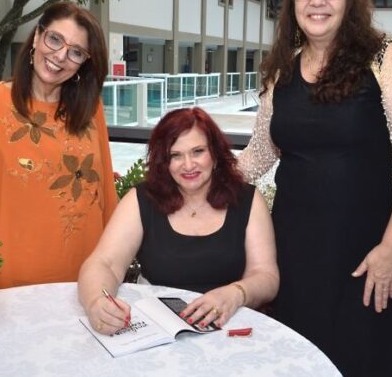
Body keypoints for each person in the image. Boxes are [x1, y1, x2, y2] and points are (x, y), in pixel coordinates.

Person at [238, 0, 392, 376]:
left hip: (364, 263)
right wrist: (192, 175)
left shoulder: (386, 57)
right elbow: (259, 153)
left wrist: (390, 250)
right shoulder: (282, 70)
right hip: (291, 257)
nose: (318, 1)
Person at [0, 1, 118, 290]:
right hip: (11, 276)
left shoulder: (91, 110)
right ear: (38, 36)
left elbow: (105, 190)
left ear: (84, 63)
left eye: (76, 52)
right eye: (55, 39)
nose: (60, 56)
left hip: (83, 277)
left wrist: (112, 263)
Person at [78, 107, 278, 335]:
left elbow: (266, 276)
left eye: (198, 151)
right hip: (156, 330)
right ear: (164, 161)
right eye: (176, 155)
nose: (188, 165)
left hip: (229, 327)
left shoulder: (248, 200)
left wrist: (236, 293)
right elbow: (104, 263)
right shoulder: (141, 199)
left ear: (215, 154)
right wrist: (96, 302)